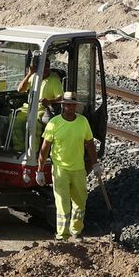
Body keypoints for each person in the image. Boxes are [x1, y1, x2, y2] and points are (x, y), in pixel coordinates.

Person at [42, 92, 98, 241]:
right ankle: (62, 235)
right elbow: (45, 148)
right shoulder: (54, 123)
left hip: (79, 169)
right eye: (68, 104)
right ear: (63, 106)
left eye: (73, 105)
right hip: (60, 170)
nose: (71, 107)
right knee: (62, 204)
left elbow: (90, 144)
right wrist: (40, 170)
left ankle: (76, 231)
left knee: (80, 202)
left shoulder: (83, 121)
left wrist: (95, 163)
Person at [11, 63, 65, 151]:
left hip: (43, 108)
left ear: (48, 67)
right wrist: (29, 74)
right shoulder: (34, 77)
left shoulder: (54, 80)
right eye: (42, 68)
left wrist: (49, 101)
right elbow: (20, 89)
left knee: (34, 123)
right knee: (15, 118)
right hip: (29, 106)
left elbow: (61, 97)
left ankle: (33, 152)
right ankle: (19, 148)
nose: (44, 70)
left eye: (46, 67)